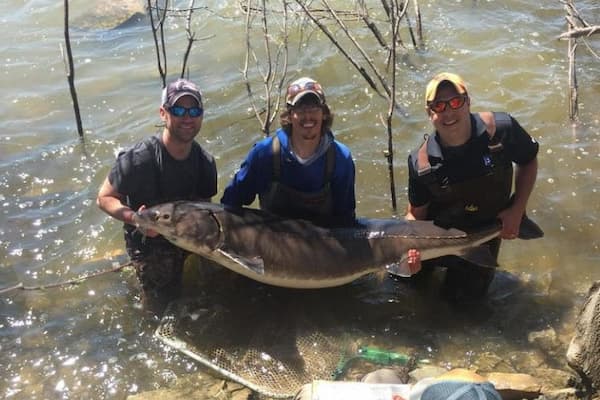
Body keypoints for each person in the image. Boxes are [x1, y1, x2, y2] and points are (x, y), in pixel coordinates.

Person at [406, 72, 539, 300]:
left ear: (468, 101)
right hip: (436, 239)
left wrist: (517, 209)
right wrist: (408, 251)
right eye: (439, 106)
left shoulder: (502, 130)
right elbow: (415, 215)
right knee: (404, 292)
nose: (448, 112)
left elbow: (528, 161)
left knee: (464, 312)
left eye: (455, 101)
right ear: (430, 113)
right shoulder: (421, 163)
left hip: (483, 236)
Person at [97, 78, 217, 312]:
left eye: (194, 110)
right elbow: (104, 198)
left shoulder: (205, 162)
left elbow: (206, 209)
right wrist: (135, 219)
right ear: (163, 113)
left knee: (210, 292)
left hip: (186, 234)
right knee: (161, 305)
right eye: (179, 110)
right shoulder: (138, 159)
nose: (187, 117)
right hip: (148, 240)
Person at [221, 77, 356, 226]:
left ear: (324, 113)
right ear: (289, 116)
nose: (308, 116)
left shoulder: (341, 158)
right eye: (300, 109)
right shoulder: (264, 153)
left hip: (321, 242)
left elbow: (346, 219)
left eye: (314, 108)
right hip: (273, 242)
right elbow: (230, 205)